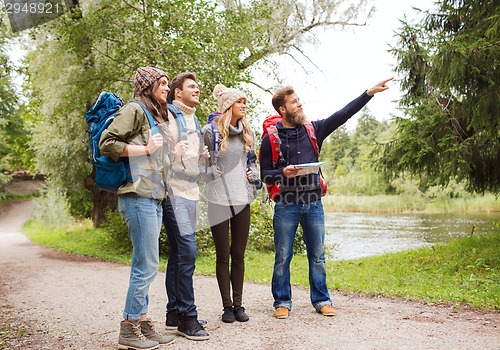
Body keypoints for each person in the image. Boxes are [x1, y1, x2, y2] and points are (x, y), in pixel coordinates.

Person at [260, 78, 394, 319]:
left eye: (299, 100)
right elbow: (265, 177)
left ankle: (321, 300)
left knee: (318, 255)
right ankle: (282, 301)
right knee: (282, 255)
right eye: (294, 102)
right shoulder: (271, 139)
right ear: (283, 109)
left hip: (313, 203)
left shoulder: (314, 129)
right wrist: (283, 172)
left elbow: (343, 115)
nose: (299, 105)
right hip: (286, 205)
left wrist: (368, 93)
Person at [99, 66, 175, 349]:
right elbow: (107, 143)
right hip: (136, 196)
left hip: (153, 197)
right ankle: (128, 328)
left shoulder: (153, 114)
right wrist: (146, 149)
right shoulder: (134, 109)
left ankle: (142, 323)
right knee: (147, 264)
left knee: (145, 263)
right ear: (148, 86)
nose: (167, 88)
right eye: (163, 83)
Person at [202, 84, 262, 323]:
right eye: (240, 102)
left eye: (245, 102)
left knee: (238, 254)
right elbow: (201, 164)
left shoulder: (248, 132)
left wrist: (254, 175)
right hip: (217, 199)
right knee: (222, 254)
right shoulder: (210, 131)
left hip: (242, 199)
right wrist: (210, 170)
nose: (244, 105)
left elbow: (253, 163)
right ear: (229, 106)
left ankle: (239, 305)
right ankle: (226, 307)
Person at [162, 72, 210, 340]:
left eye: (198, 86)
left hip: (191, 191)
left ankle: (173, 313)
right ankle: (187, 317)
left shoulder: (195, 118)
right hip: (174, 191)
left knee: (179, 254)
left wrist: (201, 157)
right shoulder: (168, 114)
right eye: (192, 86)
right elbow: (161, 153)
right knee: (188, 252)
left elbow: (192, 159)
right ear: (177, 92)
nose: (197, 90)